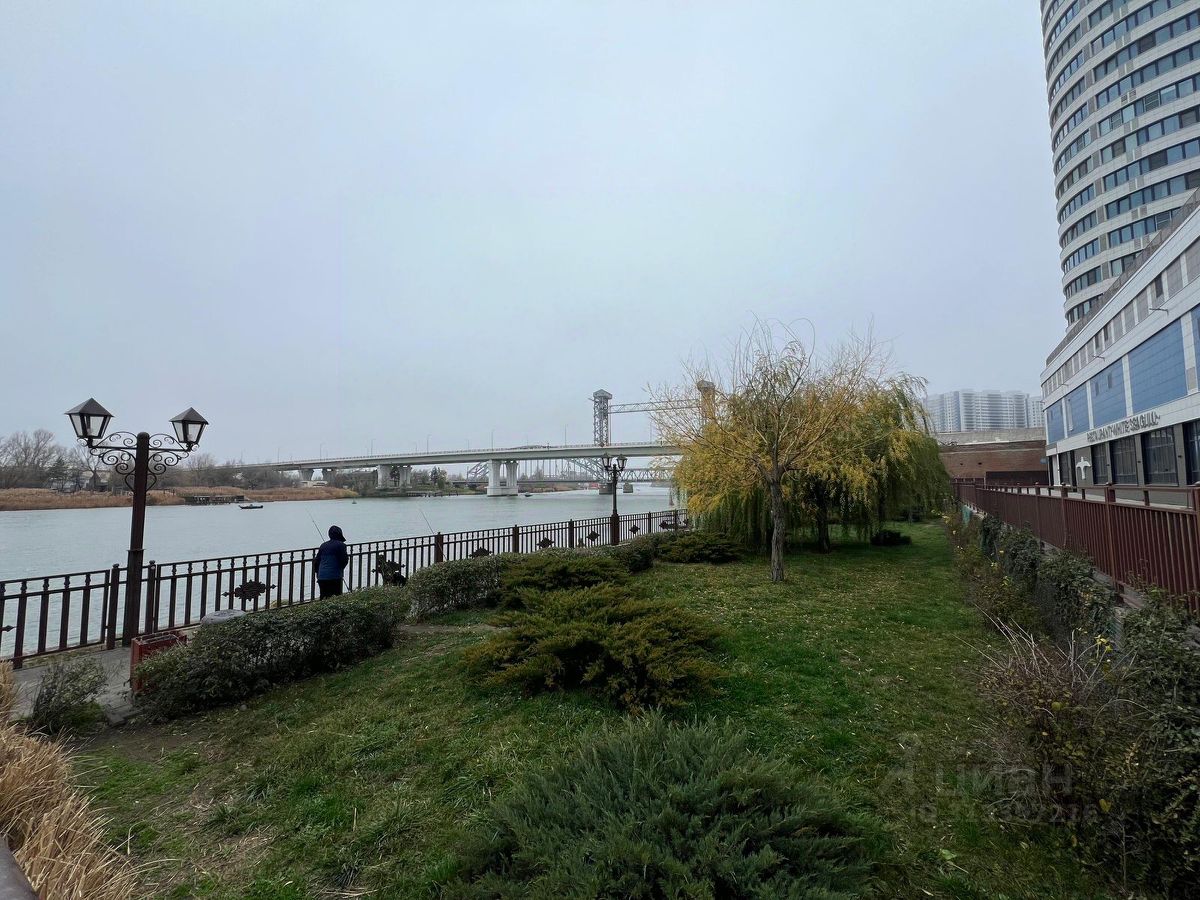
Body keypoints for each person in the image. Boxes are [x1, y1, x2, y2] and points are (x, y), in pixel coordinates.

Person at [315, 525, 349, 597]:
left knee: (324, 597)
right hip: (335, 577)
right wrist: (340, 569)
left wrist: (318, 574)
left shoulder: (323, 545)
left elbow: (317, 562)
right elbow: (344, 561)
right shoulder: (342, 545)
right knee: (337, 596)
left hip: (322, 577)